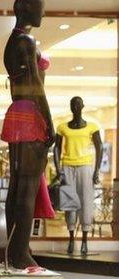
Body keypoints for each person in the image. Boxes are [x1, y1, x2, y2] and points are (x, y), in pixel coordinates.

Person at [1, 0, 54, 269]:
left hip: (17, 113)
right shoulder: (26, 42)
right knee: (27, 187)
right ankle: (20, 252)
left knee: (18, 186)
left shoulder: (14, 41)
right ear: (23, 7)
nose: (43, 11)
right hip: (30, 114)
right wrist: (50, 122)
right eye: (40, 5)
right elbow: (35, 87)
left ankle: (15, 249)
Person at [53, 96, 102, 255]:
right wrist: (58, 169)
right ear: (70, 107)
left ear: (83, 106)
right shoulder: (62, 127)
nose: (76, 106)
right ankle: (72, 238)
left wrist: (96, 171)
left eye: (78, 104)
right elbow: (57, 148)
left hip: (85, 167)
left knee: (86, 202)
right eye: (73, 104)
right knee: (70, 204)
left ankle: (85, 241)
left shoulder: (92, 127)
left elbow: (99, 147)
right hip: (67, 167)